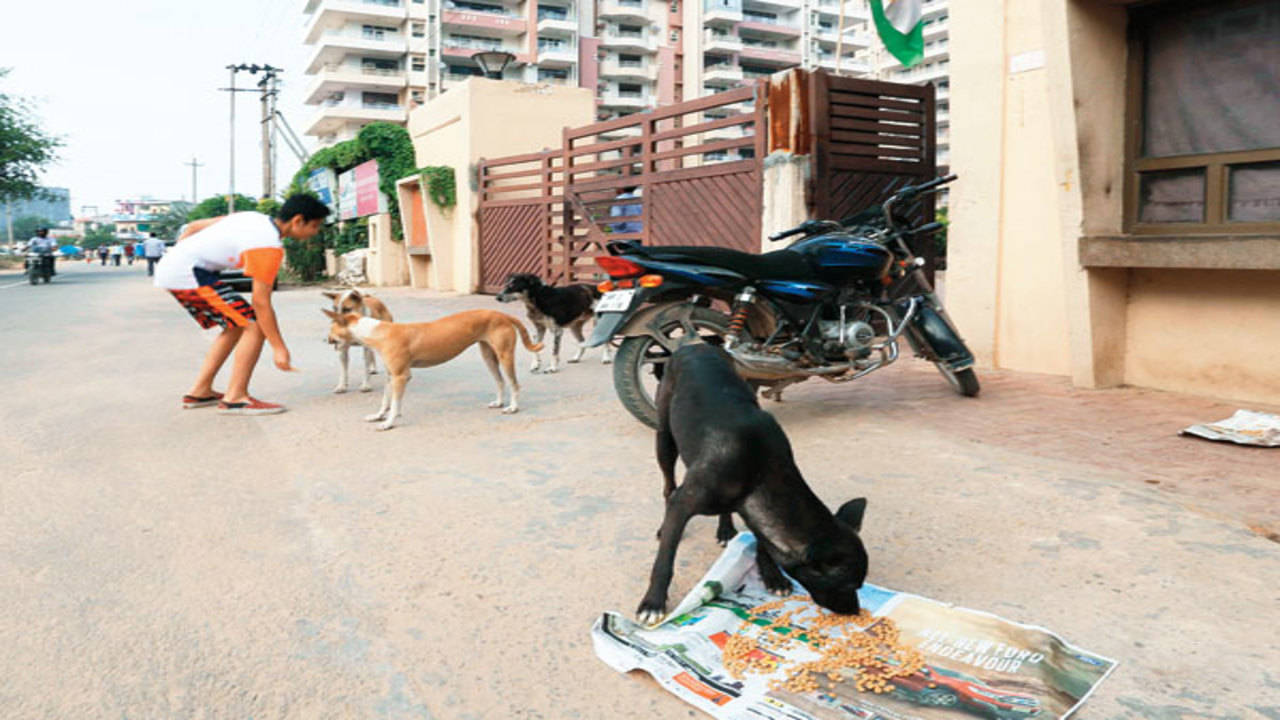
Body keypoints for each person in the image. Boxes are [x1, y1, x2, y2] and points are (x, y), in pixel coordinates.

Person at [154, 194, 329, 415]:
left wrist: (180, 254)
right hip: (189, 274)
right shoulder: (268, 245)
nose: (315, 232)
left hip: (183, 268)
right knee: (254, 325)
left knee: (237, 324)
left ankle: (200, 391)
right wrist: (279, 348)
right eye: (315, 226)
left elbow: (195, 226)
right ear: (297, 220)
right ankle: (235, 398)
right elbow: (261, 302)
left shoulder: (253, 217)